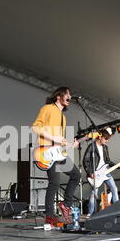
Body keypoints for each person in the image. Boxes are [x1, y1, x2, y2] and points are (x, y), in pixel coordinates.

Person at [31, 86, 81, 224]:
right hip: (47, 151)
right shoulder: (47, 108)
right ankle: (50, 216)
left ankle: (66, 205)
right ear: (59, 96)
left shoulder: (63, 117)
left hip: (59, 152)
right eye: (68, 94)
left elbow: (60, 139)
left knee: (76, 175)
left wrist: (71, 144)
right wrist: (53, 137)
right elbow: (35, 127)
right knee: (55, 182)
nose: (70, 97)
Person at [83, 128, 120, 217]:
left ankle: (117, 210)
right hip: (95, 173)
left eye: (108, 139)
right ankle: (91, 213)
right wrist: (90, 173)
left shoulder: (105, 148)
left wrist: (117, 165)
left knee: (114, 189)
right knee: (94, 194)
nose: (107, 141)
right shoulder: (91, 147)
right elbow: (85, 161)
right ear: (100, 137)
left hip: (105, 171)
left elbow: (107, 161)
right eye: (106, 139)